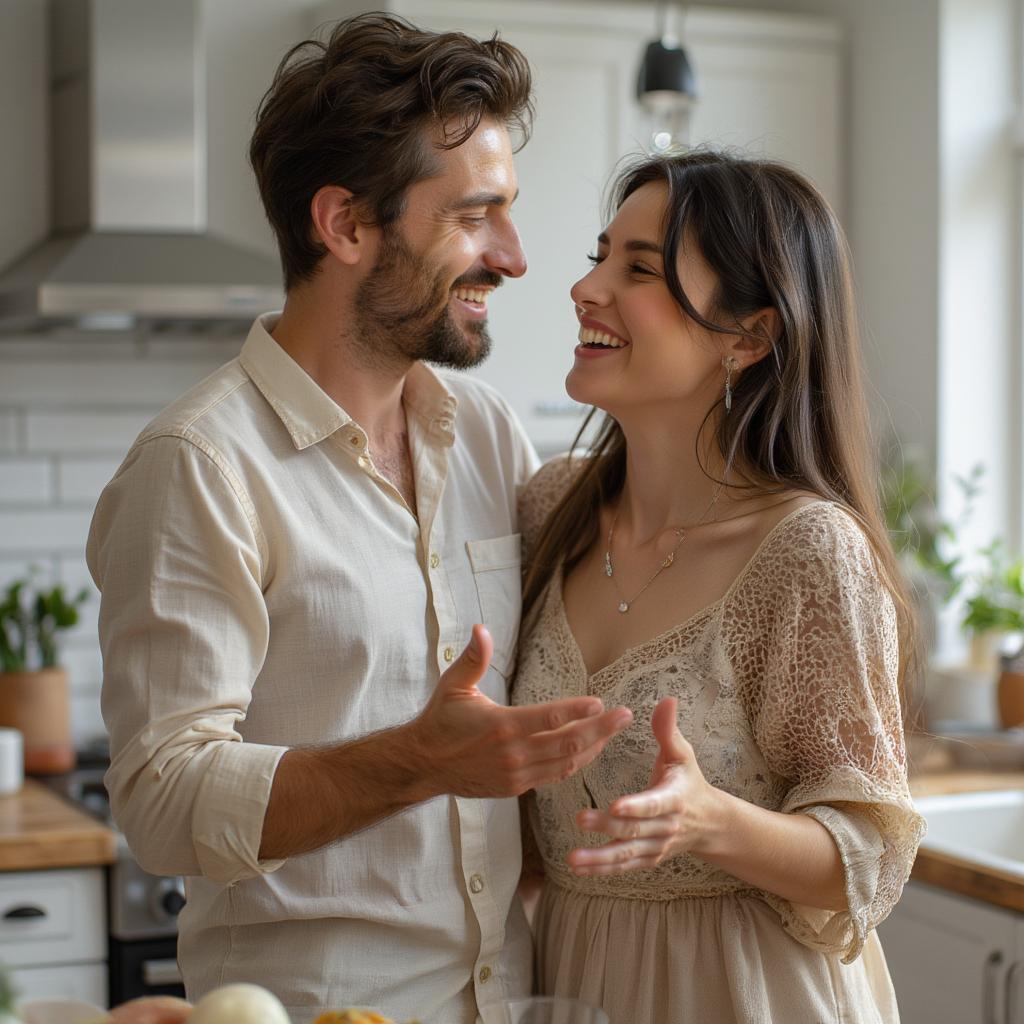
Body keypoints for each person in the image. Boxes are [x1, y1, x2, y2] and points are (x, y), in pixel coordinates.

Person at [86, 14, 631, 1024]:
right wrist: (417, 760)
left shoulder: (487, 435)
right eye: (475, 216)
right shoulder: (200, 465)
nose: (512, 257)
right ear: (342, 225)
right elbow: (161, 801)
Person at [513, 149, 927, 1023]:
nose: (587, 289)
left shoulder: (809, 552)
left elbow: (870, 854)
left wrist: (711, 822)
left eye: (639, 270)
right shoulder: (549, 510)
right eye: (598, 257)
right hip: (572, 983)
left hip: (749, 993)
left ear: (750, 337)